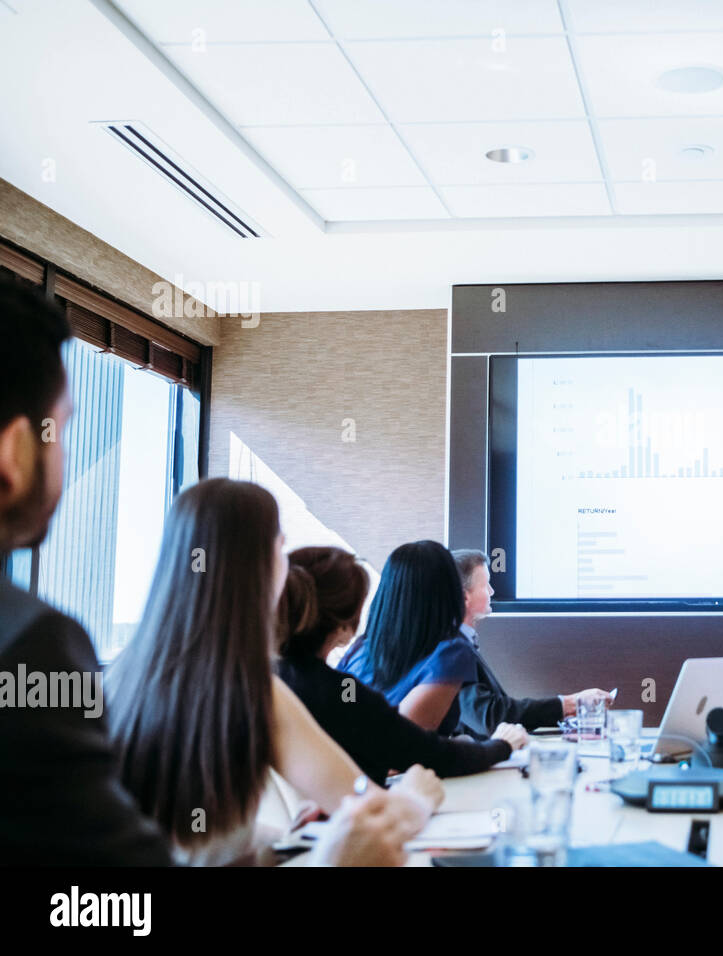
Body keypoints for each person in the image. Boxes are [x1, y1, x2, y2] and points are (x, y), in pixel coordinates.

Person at [0, 278, 413, 866]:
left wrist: (264, 845)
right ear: (16, 451)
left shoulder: (115, 676)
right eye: (61, 431)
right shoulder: (38, 646)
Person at [108, 478, 444, 865]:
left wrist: (276, 839)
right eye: (281, 547)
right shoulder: (254, 691)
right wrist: (417, 798)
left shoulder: (119, 678)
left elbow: (181, 840)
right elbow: (374, 815)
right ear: (261, 566)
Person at [277, 546, 527, 782]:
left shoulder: (329, 678)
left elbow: (349, 708)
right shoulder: (342, 686)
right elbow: (416, 750)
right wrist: (501, 745)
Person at [451, 549, 611, 737]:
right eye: (486, 586)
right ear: (465, 597)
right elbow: (489, 717)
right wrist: (569, 703)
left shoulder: (460, 642)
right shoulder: (450, 650)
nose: (492, 592)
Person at [339, 540, 477, 734]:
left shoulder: (358, 650)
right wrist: (498, 747)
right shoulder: (450, 653)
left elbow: (343, 708)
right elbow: (404, 740)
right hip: (394, 762)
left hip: (345, 759)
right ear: (450, 592)